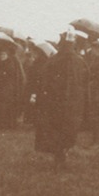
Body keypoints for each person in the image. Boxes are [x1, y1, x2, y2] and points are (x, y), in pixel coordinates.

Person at [34, 32, 87, 167]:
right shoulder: (80, 61)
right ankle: (63, 151)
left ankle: (59, 153)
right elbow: (85, 84)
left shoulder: (53, 60)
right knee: (69, 129)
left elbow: (43, 81)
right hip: (73, 104)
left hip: (55, 102)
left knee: (55, 128)